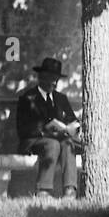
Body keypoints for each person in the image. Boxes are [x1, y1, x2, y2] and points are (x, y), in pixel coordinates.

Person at [15, 57, 81, 198]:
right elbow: (22, 128)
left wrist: (72, 127)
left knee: (68, 143)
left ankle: (70, 191)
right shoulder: (28, 98)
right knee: (52, 144)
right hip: (34, 141)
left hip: (59, 139)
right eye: (51, 78)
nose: (54, 82)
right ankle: (43, 191)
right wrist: (44, 130)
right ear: (41, 78)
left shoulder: (61, 98)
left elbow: (72, 120)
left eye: (56, 79)